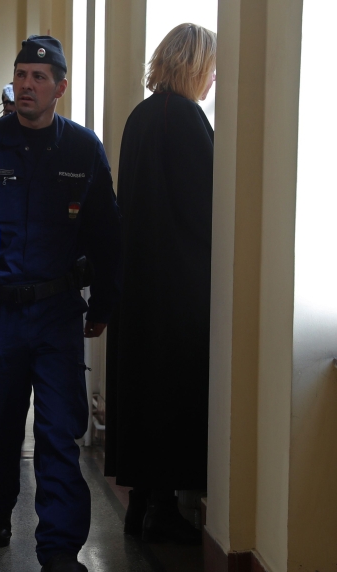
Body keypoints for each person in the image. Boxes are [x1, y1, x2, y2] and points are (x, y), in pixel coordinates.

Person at [0, 35, 122, 572]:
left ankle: (58, 549)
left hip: (56, 312)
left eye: (39, 78)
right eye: (21, 74)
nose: (27, 85)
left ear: (60, 88)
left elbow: (106, 233)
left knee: (58, 430)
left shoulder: (82, 149)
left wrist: (105, 302)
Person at [104, 23, 216, 545]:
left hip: (143, 277)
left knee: (145, 388)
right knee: (174, 391)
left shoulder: (143, 115)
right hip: (178, 283)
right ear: (196, 65)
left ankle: (145, 500)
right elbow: (204, 204)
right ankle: (162, 506)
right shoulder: (185, 117)